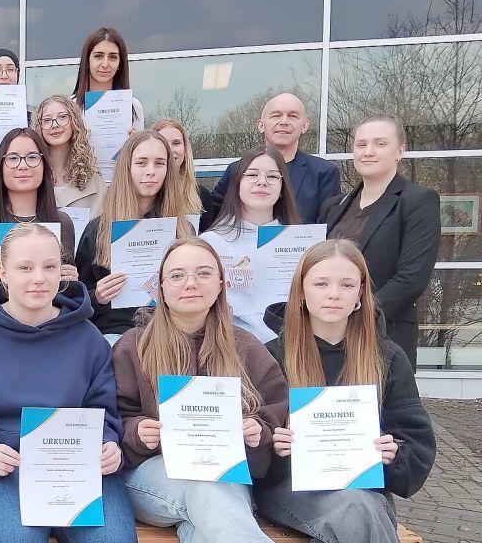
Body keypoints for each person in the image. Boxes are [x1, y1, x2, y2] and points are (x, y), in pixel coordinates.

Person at [0, 223, 138, 543]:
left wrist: (108, 443)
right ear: (4, 274)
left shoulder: (89, 339)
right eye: (25, 267)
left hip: (75, 471)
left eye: (50, 266)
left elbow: (103, 412)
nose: (39, 277)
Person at [255, 239, 436, 543]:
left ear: (360, 294)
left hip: (364, 489)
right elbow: (249, 439)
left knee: (357, 507)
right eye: (321, 283)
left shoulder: (387, 357)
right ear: (301, 291)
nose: (334, 294)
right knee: (356, 510)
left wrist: (393, 455)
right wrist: (273, 445)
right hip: (291, 488)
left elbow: (416, 444)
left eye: (347, 284)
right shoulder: (271, 356)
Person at [111, 238, 288, 543]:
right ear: (161, 287)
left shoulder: (245, 346)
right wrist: (137, 432)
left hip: (226, 475)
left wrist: (257, 431)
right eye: (177, 275)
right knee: (207, 490)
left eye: (204, 273)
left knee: (204, 525)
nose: (190, 283)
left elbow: (273, 410)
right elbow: (114, 414)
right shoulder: (134, 345)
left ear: (221, 283)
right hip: (152, 473)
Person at [320, 115, 441, 369]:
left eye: (380, 144)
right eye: (361, 144)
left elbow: (411, 279)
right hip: (328, 336)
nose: (368, 152)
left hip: (385, 334)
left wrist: (357, 314)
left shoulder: (418, 201)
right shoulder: (333, 207)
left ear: (400, 151)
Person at [76, 131, 198, 337]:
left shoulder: (183, 230)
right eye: (141, 163)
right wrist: (97, 296)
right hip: (115, 335)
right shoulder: (98, 230)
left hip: (172, 333)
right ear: (127, 168)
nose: (151, 171)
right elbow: (78, 302)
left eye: (159, 163)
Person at [201, 145, 301, 343]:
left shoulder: (301, 242)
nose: (262, 182)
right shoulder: (209, 244)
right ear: (237, 184)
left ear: (283, 187)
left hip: (291, 349)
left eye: (272, 176)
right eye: (252, 175)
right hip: (229, 348)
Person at [210, 92, 339, 223]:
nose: (284, 122)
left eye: (292, 116)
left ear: (305, 126)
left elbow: (329, 226)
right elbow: (214, 217)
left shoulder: (324, 173)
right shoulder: (236, 170)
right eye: (276, 115)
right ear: (261, 125)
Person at [0, 128, 78, 273]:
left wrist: (71, 282)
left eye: (32, 157)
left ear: (44, 165)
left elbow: (65, 290)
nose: (23, 166)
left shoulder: (63, 222)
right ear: (0, 166)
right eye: (13, 158)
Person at [33, 95, 106, 217]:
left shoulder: (95, 182)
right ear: (39, 127)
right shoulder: (30, 177)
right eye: (46, 120)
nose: (54, 124)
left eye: (62, 117)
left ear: (74, 122)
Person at [71, 27, 144, 132]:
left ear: (120, 64)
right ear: (87, 61)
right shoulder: (70, 107)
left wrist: (134, 144)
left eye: (113, 57)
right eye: (98, 56)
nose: (105, 64)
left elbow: (142, 148)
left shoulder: (134, 106)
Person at [151, 118, 215, 231]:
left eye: (176, 143)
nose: (170, 149)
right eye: (163, 143)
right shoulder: (143, 195)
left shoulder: (201, 195)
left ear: (185, 150)